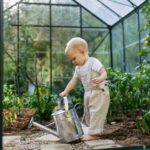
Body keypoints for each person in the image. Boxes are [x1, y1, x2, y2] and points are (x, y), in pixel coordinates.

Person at [59, 37, 110, 141]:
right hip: (88, 92)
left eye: (74, 58)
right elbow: (73, 80)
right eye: (71, 60)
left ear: (82, 52)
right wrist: (66, 91)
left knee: (96, 112)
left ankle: (94, 134)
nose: (73, 62)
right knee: (88, 112)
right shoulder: (78, 68)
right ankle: (92, 130)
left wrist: (100, 78)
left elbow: (104, 73)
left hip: (99, 91)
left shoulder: (93, 62)